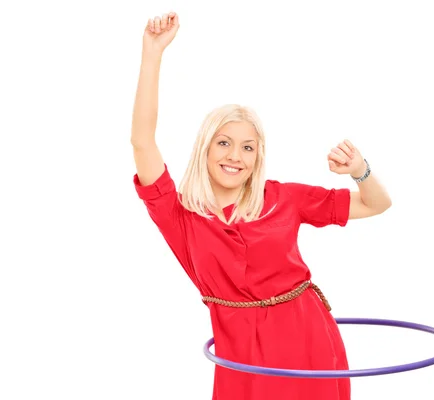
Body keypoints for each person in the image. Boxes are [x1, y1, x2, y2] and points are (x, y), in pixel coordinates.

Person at [131, 11, 392, 400]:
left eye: (247, 147)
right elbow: (142, 143)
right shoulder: (180, 213)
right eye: (223, 143)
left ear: (257, 157)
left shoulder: (283, 197)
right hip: (241, 356)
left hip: (307, 339)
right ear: (205, 148)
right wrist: (152, 54)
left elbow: (377, 205)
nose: (235, 155)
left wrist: (360, 170)